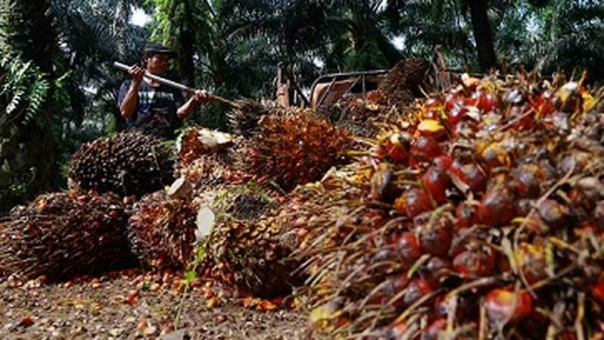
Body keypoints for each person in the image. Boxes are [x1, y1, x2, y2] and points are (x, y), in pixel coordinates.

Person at [118, 42, 208, 139]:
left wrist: (194, 100)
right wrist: (135, 84)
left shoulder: (172, 87)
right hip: (138, 142)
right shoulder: (128, 85)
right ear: (146, 59)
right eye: (160, 59)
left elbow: (180, 113)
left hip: (167, 141)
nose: (164, 63)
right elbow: (125, 112)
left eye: (166, 60)